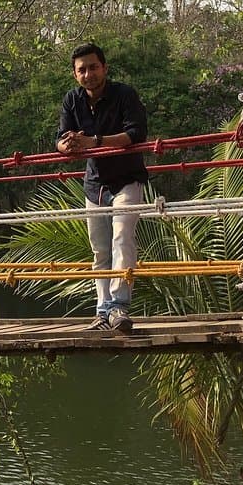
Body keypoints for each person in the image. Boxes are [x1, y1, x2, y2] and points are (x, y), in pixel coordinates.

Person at [56, 43, 149, 334]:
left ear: (105, 68)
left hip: (127, 180)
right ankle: (102, 309)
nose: (88, 74)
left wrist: (94, 142)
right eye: (81, 70)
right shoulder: (72, 100)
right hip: (94, 185)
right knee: (99, 251)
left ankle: (118, 307)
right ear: (75, 75)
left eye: (93, 67)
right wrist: (66, 145)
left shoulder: (124, 94)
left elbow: (136, 134)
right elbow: (60, 138)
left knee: (122, 239)